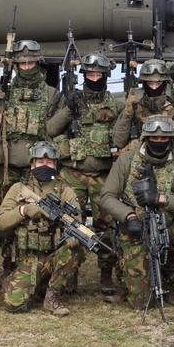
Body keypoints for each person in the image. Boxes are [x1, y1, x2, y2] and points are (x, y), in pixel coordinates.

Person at [100, 115, 174, 323]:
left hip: (168, 228)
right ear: (145, 138)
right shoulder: (126, 160)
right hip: (135, 230)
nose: (159, 142)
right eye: (154, 138)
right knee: (141, 302)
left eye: (164, 139)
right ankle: (132, 281)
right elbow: (106, 196)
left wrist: (162, 199)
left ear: (172, 140)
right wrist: (128, 215)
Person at [47, 52, 121, 295]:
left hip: (103, 174)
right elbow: (51, 130)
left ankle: (106, 274)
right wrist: (68, 108)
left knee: (106, 225)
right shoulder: (71, 102)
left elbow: (122, 136)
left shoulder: (116, 104)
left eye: (98, 74)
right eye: (90, 74)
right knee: (70, 224)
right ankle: (69, 274)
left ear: (106, 76)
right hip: (73, 173)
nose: (94, 78)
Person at [0, 39, 57, 286]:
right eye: (22, 63)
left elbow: (56, 133)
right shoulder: (4, 92)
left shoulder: (50, 94)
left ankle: (42, 267)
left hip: (39, 170)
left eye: (31, 62)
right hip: (9, 170)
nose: (26, 67)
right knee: (10, 218)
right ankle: (8, 266)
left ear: (39, 62)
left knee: (43, 218)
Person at [0, 141, 84, 317]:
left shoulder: (65, 190)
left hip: (53, 258)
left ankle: (52, 296)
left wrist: (75, 236)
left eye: (49, 162)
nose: (45, 166)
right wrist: (23, 210)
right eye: (40, 162)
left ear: (56, 165)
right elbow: (1, 222)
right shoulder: (18, 189)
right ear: (32, 164)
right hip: (26, 260)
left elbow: (77, 222)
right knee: (14, 304)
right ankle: (27, 284)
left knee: (75, 249)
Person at [112, 59, 174, 155]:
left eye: (159, 84)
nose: (154, 88)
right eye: (150, 83)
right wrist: (127, 114)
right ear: (143, 84)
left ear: (165, 85)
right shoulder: (133, 108)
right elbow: (118, 141)